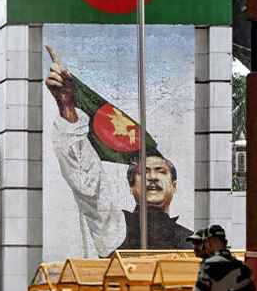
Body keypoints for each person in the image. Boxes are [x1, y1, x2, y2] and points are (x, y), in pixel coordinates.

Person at [46, 58, 192, 256]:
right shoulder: (115, 227)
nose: (152, 177)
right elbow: (89, 185)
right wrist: (68, 109)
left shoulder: (192, 241)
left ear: (174, 185)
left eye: (161, 171)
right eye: (144, 172)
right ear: (132, 187)